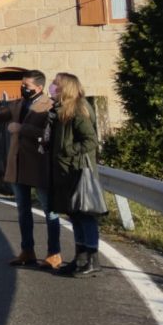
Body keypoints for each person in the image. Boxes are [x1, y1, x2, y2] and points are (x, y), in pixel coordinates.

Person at [0, 70, 62, 269]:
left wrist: (22, 129)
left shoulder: (50, 106)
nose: (23, 88)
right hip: (18, 164)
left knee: (50, 210)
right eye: (22, 84)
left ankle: (54, 252)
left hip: (39, 164)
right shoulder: (18, 103)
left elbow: (50, 134)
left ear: (39, 87)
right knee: (23, 211)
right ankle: (27, 251)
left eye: (27, 86)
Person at [47, 72, 102, 277]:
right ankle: (79, 258)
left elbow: (90, 140)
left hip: (77, 170)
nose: (52, 87)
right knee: (74, 215)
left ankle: (92, 259)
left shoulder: (78, 109)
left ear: (66, 87)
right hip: (66, 172)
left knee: (85, 215)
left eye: (56, 84)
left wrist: (68, 151)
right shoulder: (61, 110)